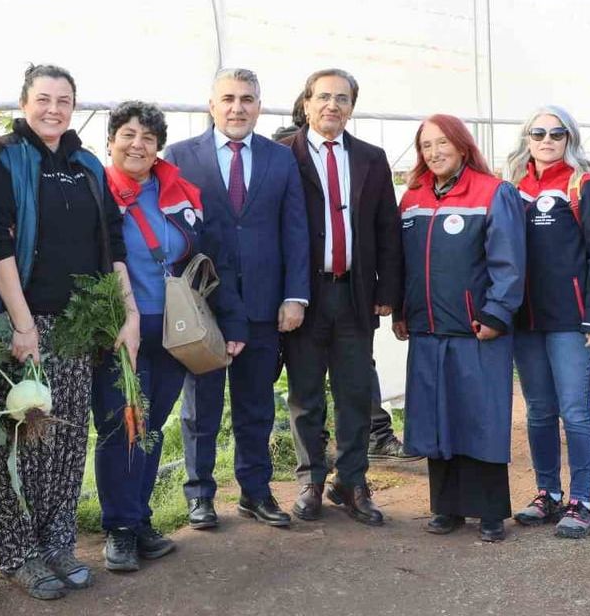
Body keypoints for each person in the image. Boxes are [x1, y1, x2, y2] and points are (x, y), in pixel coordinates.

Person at [0, 64, 136, 599]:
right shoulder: (1, 157)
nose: (54, 109)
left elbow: (112, 241)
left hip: (75, 324)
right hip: (15, 323)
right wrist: (22, 324)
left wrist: (126, 313)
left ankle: (58, 542)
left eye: (64, 100)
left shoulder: (87, 162)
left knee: (64, 438)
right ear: (23, 103)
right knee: (16, 440)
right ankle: (19, 553)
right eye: (43, 98)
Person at [95, 101, 248, 572]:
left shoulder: (180, 190)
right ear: (111, 141)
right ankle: (119, 529)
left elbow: (210, 257)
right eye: (127, 134)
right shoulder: (99, 191)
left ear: (159, 145)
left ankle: (139, 519)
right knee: (123, 424)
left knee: (153, 424)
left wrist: (232, 322)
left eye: (147, 137)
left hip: (174, 329)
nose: (137, 144)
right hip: (122, 329)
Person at [165, 67, 310, 529]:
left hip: (265, 304)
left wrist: (295, 296)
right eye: (227, 98)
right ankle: (200, 495)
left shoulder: (279, 158)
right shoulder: (179, 157)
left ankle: (255, 491)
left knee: (256, 405)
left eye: (247, 99)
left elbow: (296, 231)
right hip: (204, 305)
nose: (237, 107)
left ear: (259, 106)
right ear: (211, 105)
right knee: (200, 407)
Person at [277, 69, 403, 526]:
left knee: (354, 391)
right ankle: (311, 479)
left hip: (354, 293)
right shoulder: (281, 156)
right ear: (306, 103)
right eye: (323, 97)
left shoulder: (371, 158)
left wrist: (387, 289)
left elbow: (386, 227)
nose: (332, 105)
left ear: (352, 106)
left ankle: (351, 480)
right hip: (303, 296)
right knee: (306, 393)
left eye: (342, 98)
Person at [394, 114, 525, 542]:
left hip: (475, 329)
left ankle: (489, 512)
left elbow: (508, 262)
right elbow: (402, 262)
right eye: (426, 145)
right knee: (436, 418)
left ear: (463, 145)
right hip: (427, 329)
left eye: (442, 143)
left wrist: (495, 313)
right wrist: (401, 308)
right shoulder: (412, 198)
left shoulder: (493, 193)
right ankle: (446, 508)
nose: (434, 152)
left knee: (480, 417)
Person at [505, 106, 590, 539]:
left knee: (574, 410)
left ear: (570, 138)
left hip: (572, 322)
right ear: (527, 138)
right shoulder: (513, 189)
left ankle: (582, 501)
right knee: (538, 411)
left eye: (557, 133)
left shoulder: (584, 187)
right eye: (538, 132)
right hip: (526, 321)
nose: (547, 139)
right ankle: (548, 493)